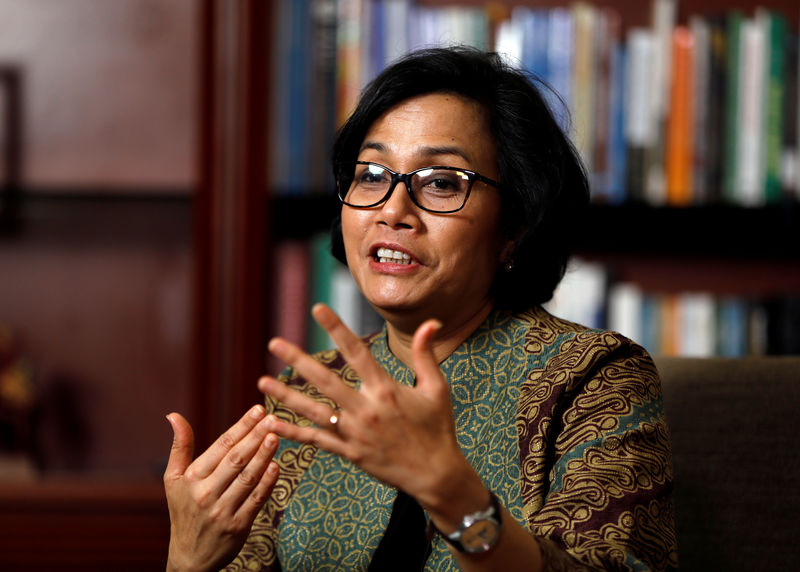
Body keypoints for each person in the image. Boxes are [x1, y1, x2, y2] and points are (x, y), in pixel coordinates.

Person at [164, 46, 678, 571]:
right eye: (370, 174)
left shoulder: (593, 376)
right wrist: (186, 558)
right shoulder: (309, 393)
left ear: (514, 227)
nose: (392, 210)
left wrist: (452, 494)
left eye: (441, 182)